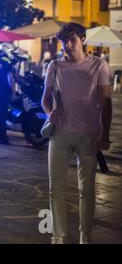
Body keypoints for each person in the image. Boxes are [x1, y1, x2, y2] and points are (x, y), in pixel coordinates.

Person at [41, 22, 113, 244]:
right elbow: (45, 99)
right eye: (64, 42)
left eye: (71, 40)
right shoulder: (55, 65)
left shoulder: (98, 65)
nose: (67, 45)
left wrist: (105, 134)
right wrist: (50, 113)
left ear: (82, 40)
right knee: (55, 187)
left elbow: (106, 103)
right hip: (60, 134)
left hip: (88, 134)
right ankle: (59, 235)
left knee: (87, 188)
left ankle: (85, 235)